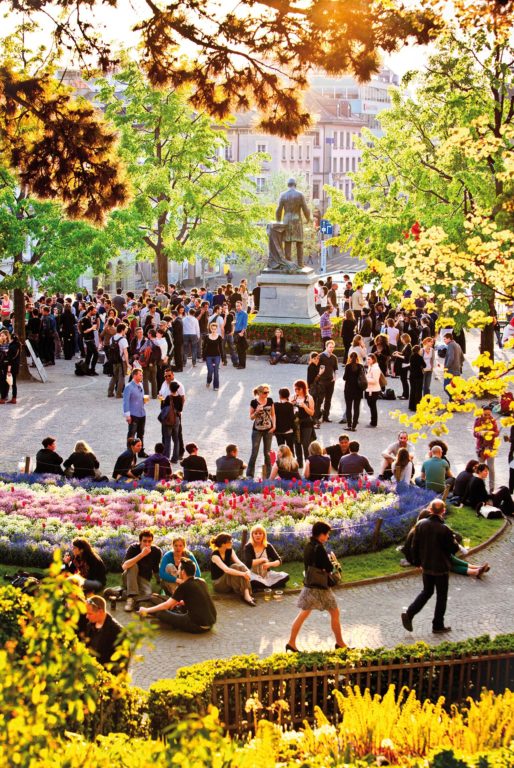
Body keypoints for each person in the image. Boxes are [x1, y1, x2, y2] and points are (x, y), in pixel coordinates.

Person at [401, 500, 459, 634]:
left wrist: (417, 563)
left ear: (431, 510)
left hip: (426, 566)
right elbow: (453, 548)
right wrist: (454, 539)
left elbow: (414, 546)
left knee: (427, 591)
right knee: (441, 596)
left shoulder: (421, 524)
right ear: (443, 511)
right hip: (441, 568)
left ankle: (409, 613)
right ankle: (437, 625)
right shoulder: (445, 529)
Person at [286, 521, 346, 652]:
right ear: (321, 534)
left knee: (303, 614)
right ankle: (340, 643)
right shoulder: (319, 548)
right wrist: (333, 563)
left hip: (310, 585)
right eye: (327, 534)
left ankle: (291, 643)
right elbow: (329, 567)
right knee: (335, 612)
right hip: (320, 588)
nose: (328, 537)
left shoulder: (308, 545)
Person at [139, 558, 216, 632]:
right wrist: (183, 602)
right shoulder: (201, 581)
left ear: (183, 572)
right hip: (210, 623)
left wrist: (146, 610)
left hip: (197, 625)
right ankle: (174, 621)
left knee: (161, 613)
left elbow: (166, 605)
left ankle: (170, 624)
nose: (177, 572)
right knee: (179, 607)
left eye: (178, 569)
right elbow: (199, 600)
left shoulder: (184, 585)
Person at [210, 532, 255, 606]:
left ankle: (246, 595)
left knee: (239, 566)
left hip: (228, 580)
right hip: (219, 584)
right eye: (230, 541)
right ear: (223, 544)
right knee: (234, 567)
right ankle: (246, 595)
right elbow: (226, 570)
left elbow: (239, 562)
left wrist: (247, 570)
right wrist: (243, 574)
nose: (232, 542)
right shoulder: (215, 556)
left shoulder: (230, 551)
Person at [122, 530, 162, 612]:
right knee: (133, 565)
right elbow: (124, 566)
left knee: (148, 595)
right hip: (129, 576)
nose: (147, 544)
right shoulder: (133, 548)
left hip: (143, 579)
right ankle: (131, 598)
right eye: (144, 541)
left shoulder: (156, 551)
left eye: (149, 541)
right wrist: (141, 555)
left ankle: (123, 593)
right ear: (140, 541)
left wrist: (159, 581)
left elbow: (156, 568)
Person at [82, 596, 124, 669]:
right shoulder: (90, 625)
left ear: (100, 612)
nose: (86, 617)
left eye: (90, 614)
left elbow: (120, 664)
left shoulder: (117, 632)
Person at [243, 525, 289, 591]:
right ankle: (270, 585)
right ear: (252, 535)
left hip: (266, 574)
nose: (258, 535)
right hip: (253, 574)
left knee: (286, 576)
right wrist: (263, 559)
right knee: (252, 581)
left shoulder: (268, 546)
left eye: (260, 533)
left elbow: (279, 560)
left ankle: (263, 587)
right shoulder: (248, 546)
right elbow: (248, 563)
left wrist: (270, 564)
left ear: (263, 535)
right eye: (255, 533)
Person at [247, 384, 276, 478]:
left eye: (268, 392)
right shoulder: (254, 402)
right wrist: (256, 412)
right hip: (257, 430)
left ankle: (269, 475)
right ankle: (250, 475)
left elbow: (273, 414)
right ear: (259, 393)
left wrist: (274, 426)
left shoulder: (270, 400)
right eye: (264, 392)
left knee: (268, 454)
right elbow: (251, 417)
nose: (266, 394)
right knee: (254, 453)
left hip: (268, 430)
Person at [122, 367, 147, 458]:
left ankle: (141, 451)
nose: (142, 376)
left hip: (142, 413)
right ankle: (130, 453)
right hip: (133, 414)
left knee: (141, 434)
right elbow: (126, 401)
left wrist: (144, 400)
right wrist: (127, 415)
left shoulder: (141, 384)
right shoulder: (128, 387)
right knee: (131, 434)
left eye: (142, 375)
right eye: (140, 375)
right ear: (134, 375)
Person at [473, 405, 499, 492]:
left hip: (491, 447)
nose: (487, 416)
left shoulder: (493, 421)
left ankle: (492, 488)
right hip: (481, 447)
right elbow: (475, 433)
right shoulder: (478, 420)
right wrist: (480, 433)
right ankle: (481, 486)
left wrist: (490, 433)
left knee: (491, 468)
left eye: (489, 414)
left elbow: (497, 433)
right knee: (481, 467)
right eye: (485, 414)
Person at [291, 379, 316, 468]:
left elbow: (312, 413)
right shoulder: (293, 397)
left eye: (298, 389)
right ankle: (299, 463)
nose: (296, 391)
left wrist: (305, 406)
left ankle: (308, 463)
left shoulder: (309, 398)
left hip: (306, 422)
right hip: (296, 423)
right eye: (295, 389)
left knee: (305, 444)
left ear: (303, 388)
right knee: (297, 443)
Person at [343, 351, 365, 431]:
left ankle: (349, 425)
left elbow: (344, 378)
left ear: (350, 358)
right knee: (356, 408)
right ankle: (354, 426)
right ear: (357, 358)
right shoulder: (360, 366)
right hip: (358, 390)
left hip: (349, 389)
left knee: (348, 408)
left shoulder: (348, 366)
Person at [317, 340, 338, 423]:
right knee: (320, 399)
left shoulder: (334, 357)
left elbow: (336, 368)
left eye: (333, 347)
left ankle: (326, 416)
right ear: (326, 347)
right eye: (330, 347)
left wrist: (335, 377)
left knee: (328, 400)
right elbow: (317, 368)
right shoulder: (321, 356)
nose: (331, 349)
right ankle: (318, 416)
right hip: (322, 381)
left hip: (331, 381)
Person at [107, 323, 129, 399]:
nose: (126, 330)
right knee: (121, 377)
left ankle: (110, 392)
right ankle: (119, 394)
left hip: (114, 360)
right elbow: (125, 353)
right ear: (122, 330)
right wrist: (128, 363)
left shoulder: (112, 338)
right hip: (121, 361)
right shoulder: (123, 340)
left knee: (114, 377)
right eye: (125, 329)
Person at [443, 332, 464, 401]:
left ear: (449, 339)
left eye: (445, 339)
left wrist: (446, 367)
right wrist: (459, 366)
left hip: (450, 371)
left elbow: (451, 358)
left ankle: (455, 399)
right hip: (457, 370)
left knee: (446, 387)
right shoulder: (458, 345)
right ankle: (454, 402)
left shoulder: (451, 345)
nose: (444, 341)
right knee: (454, 388)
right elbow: (462, 358)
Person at [274, 387, 296, 452]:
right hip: (288, 430)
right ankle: (291, 462)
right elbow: (292, 417)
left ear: (280, 395)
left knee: (281, 450)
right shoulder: (290, 405)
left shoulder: (275, 405)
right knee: (290, 449)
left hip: (278, 431)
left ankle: (282, 462)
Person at [79, 306, 100, 375]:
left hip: (91, 339)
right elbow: (84, 331)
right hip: (88, 340)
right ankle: (92, 370)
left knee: (89, 355)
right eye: (94, 311)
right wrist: (92, 328)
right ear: (90, 311)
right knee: (96, 354)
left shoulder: (89, 318)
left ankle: (86, 369)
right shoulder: (85, 319)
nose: (95, 312)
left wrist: (92, 328)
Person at [204, 321, 223, 391]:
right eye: (212, 329)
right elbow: (204, 347)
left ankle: (216, 386)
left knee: (216, 371)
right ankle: (209, 381)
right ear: (210, 329)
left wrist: (223, 359)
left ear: (217, 329)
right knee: (210, 370)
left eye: (215, 329)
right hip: (208, 356)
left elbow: (221, 348)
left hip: (217, 356)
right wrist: (203, 357)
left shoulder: (219, 337)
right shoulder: (206, 336)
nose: (213, 330)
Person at [393, 333, 412, 400]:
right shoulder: (407, 345)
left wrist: (398, 355)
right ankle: (404, 394)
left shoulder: (408, 346)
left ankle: (406, 395)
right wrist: (398, 353)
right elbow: (404, 354)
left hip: (405, 365)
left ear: (404, 339)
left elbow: (406, 357)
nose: (401, 340)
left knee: (404, 380)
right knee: (403, 380)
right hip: (404, 365)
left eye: (402, 339)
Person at [365, 353, 381, 428]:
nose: (367, 361)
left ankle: (374, 422)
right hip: (370, 389)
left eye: (369, 359)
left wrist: (365, 379)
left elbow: (375, 380)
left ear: (373, 360)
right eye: (367, 359)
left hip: (373, 390)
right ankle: (373, 421)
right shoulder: (370, 366)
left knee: (372, 406)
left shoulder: (375, 368)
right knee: (371, 405)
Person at [408, 345, 425, 412]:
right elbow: (424, 365)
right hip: (418, 375)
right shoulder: (420, 357)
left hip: (412, 375)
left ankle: (411, 406)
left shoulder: (411, 357)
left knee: (412, 390)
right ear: (418, 350)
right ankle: (417, 406)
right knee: (418, 391)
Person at [234, 300, 248, 369]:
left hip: (241, 332)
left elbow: (245, 325)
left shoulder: (244, 314)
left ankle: (242, 365)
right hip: (236, 332)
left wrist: (241, 333)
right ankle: (240, 363)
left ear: (241, 306)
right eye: (236, 306)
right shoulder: (236, 313)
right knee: (238, 349)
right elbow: (237, 323)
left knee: (242, 350)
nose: (237, 307)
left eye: (239, 306)